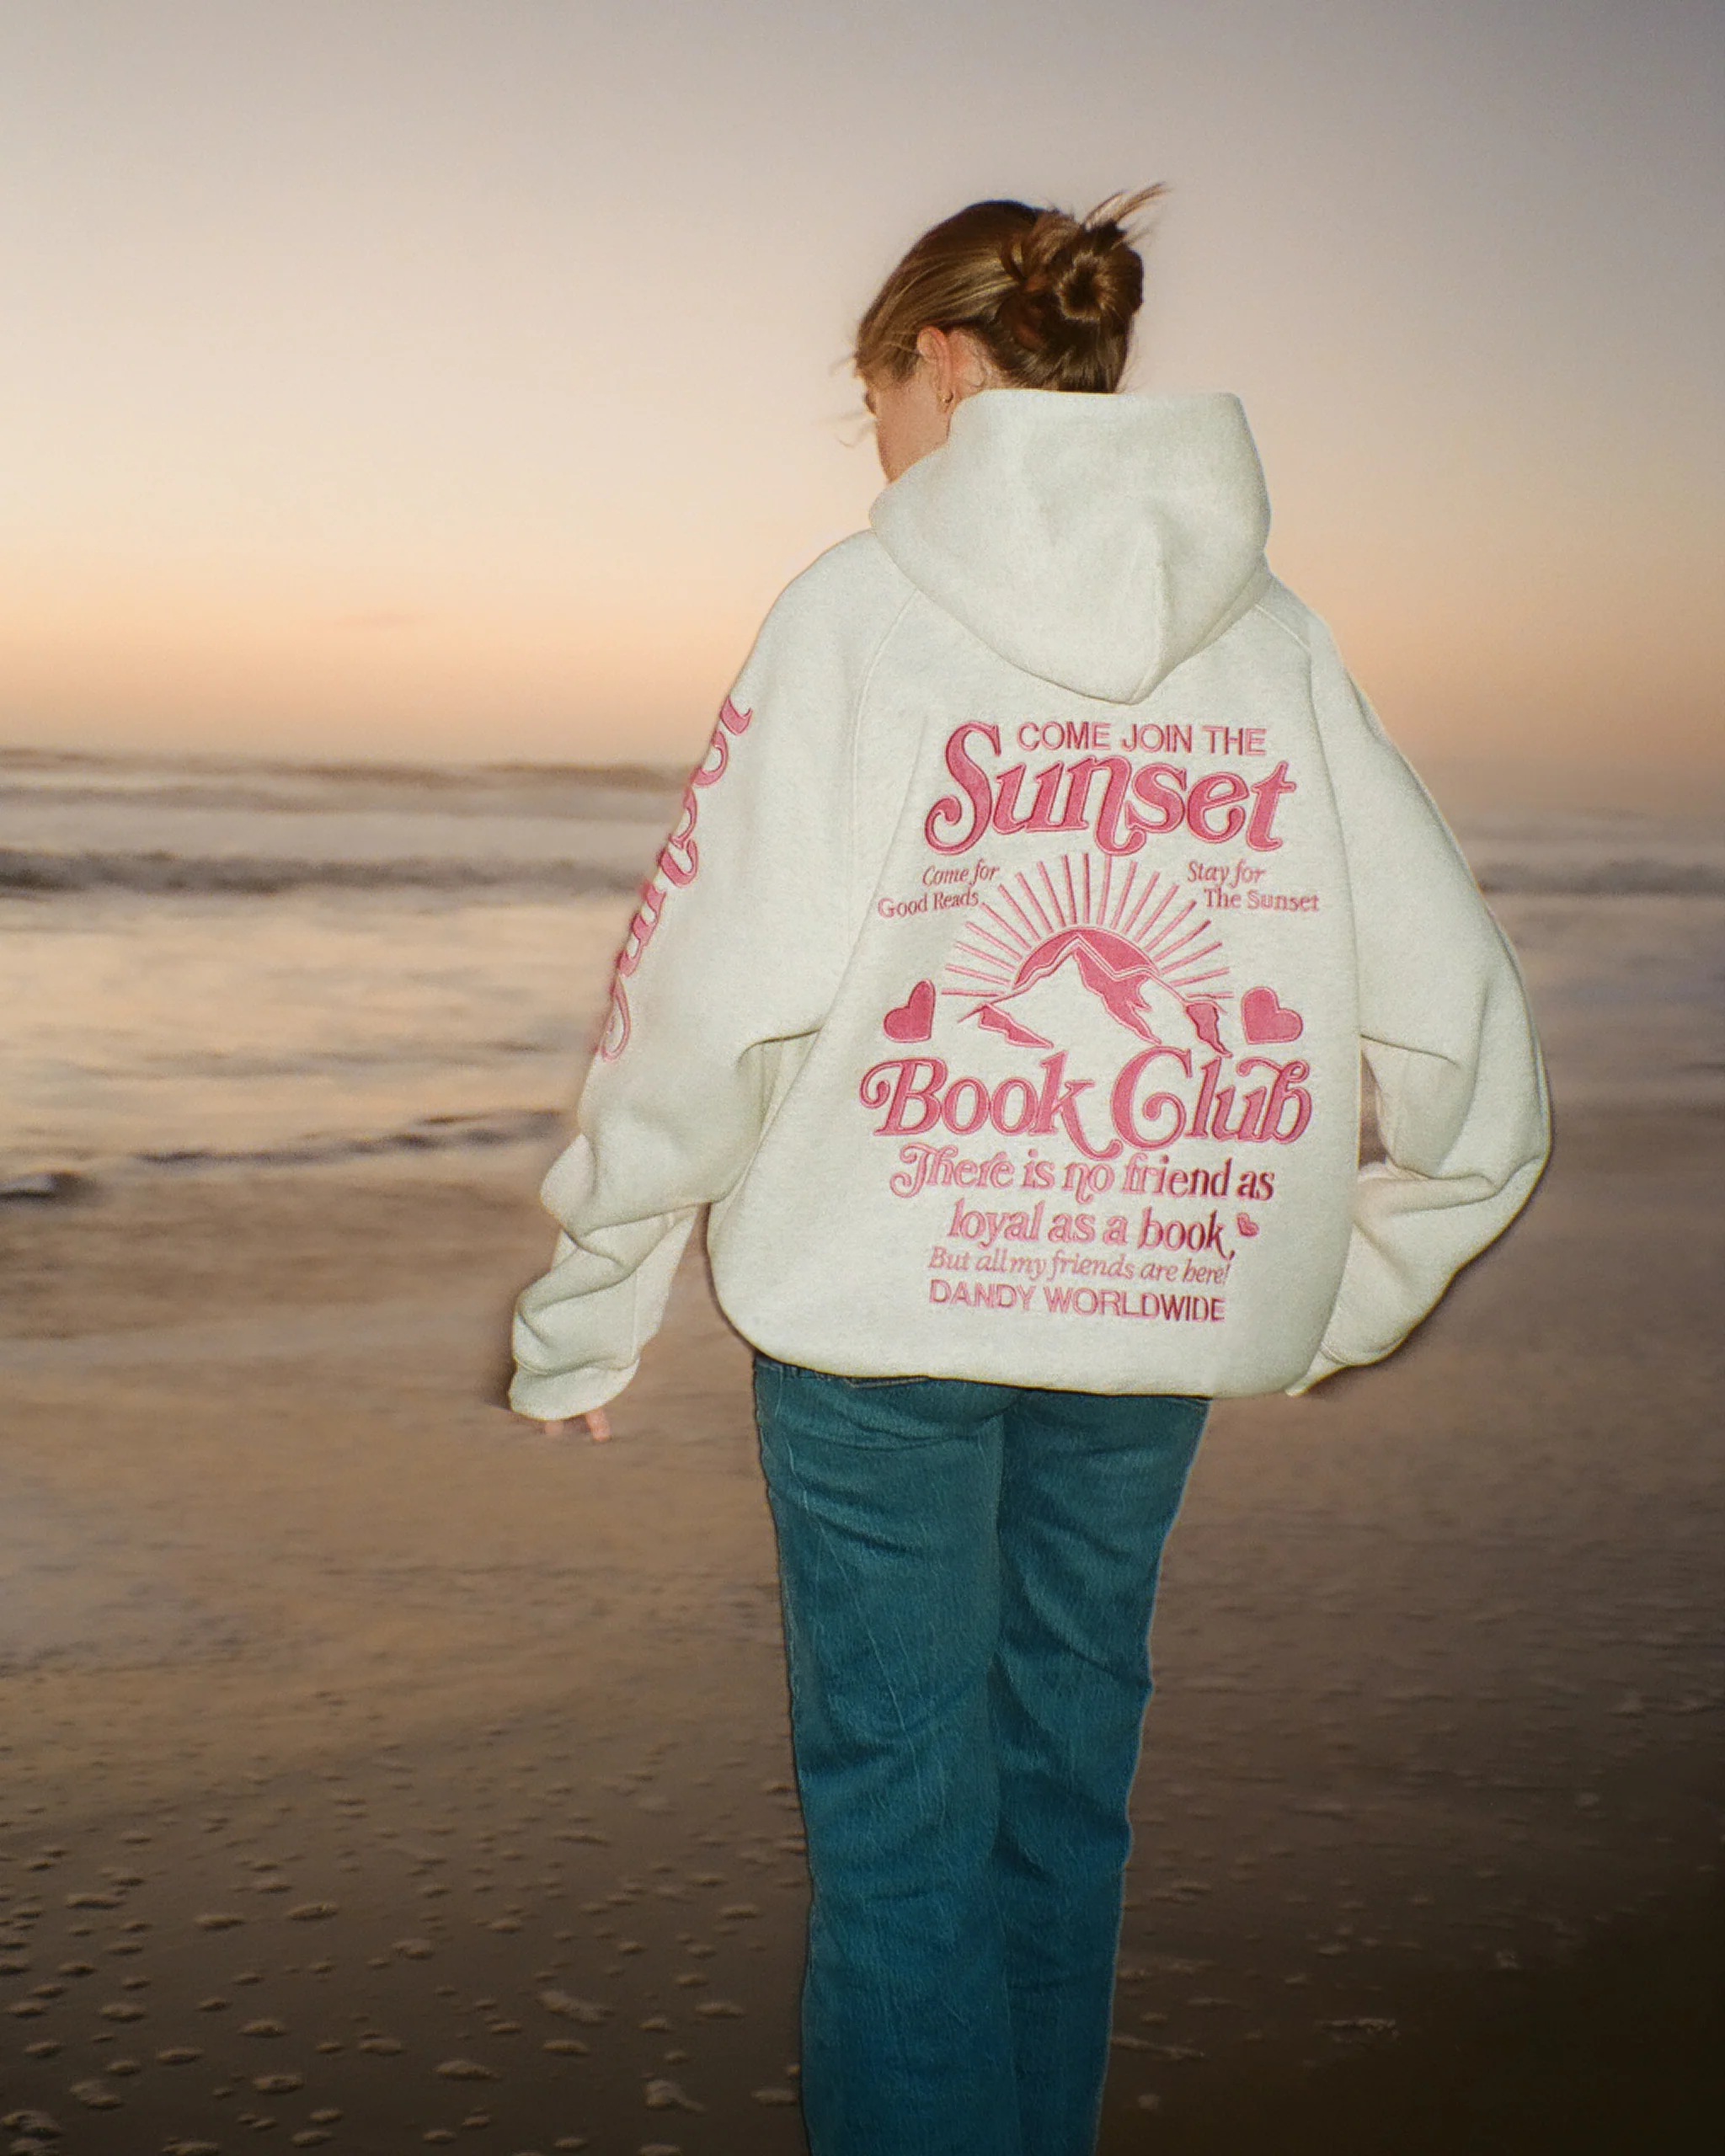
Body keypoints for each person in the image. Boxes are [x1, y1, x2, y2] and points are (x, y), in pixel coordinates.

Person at [510, 192, 1550, 2156]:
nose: (881, 454)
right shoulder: (1268, 634)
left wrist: (591, 1295)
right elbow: (1458, 1016)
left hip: (874, 1321)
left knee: (900, 1829)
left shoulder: (856, 607)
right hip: (1149, 1306)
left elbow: (710, 986)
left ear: (939, 359)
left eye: (874, 403)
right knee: (1062, 1801)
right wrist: (1328, 1284)